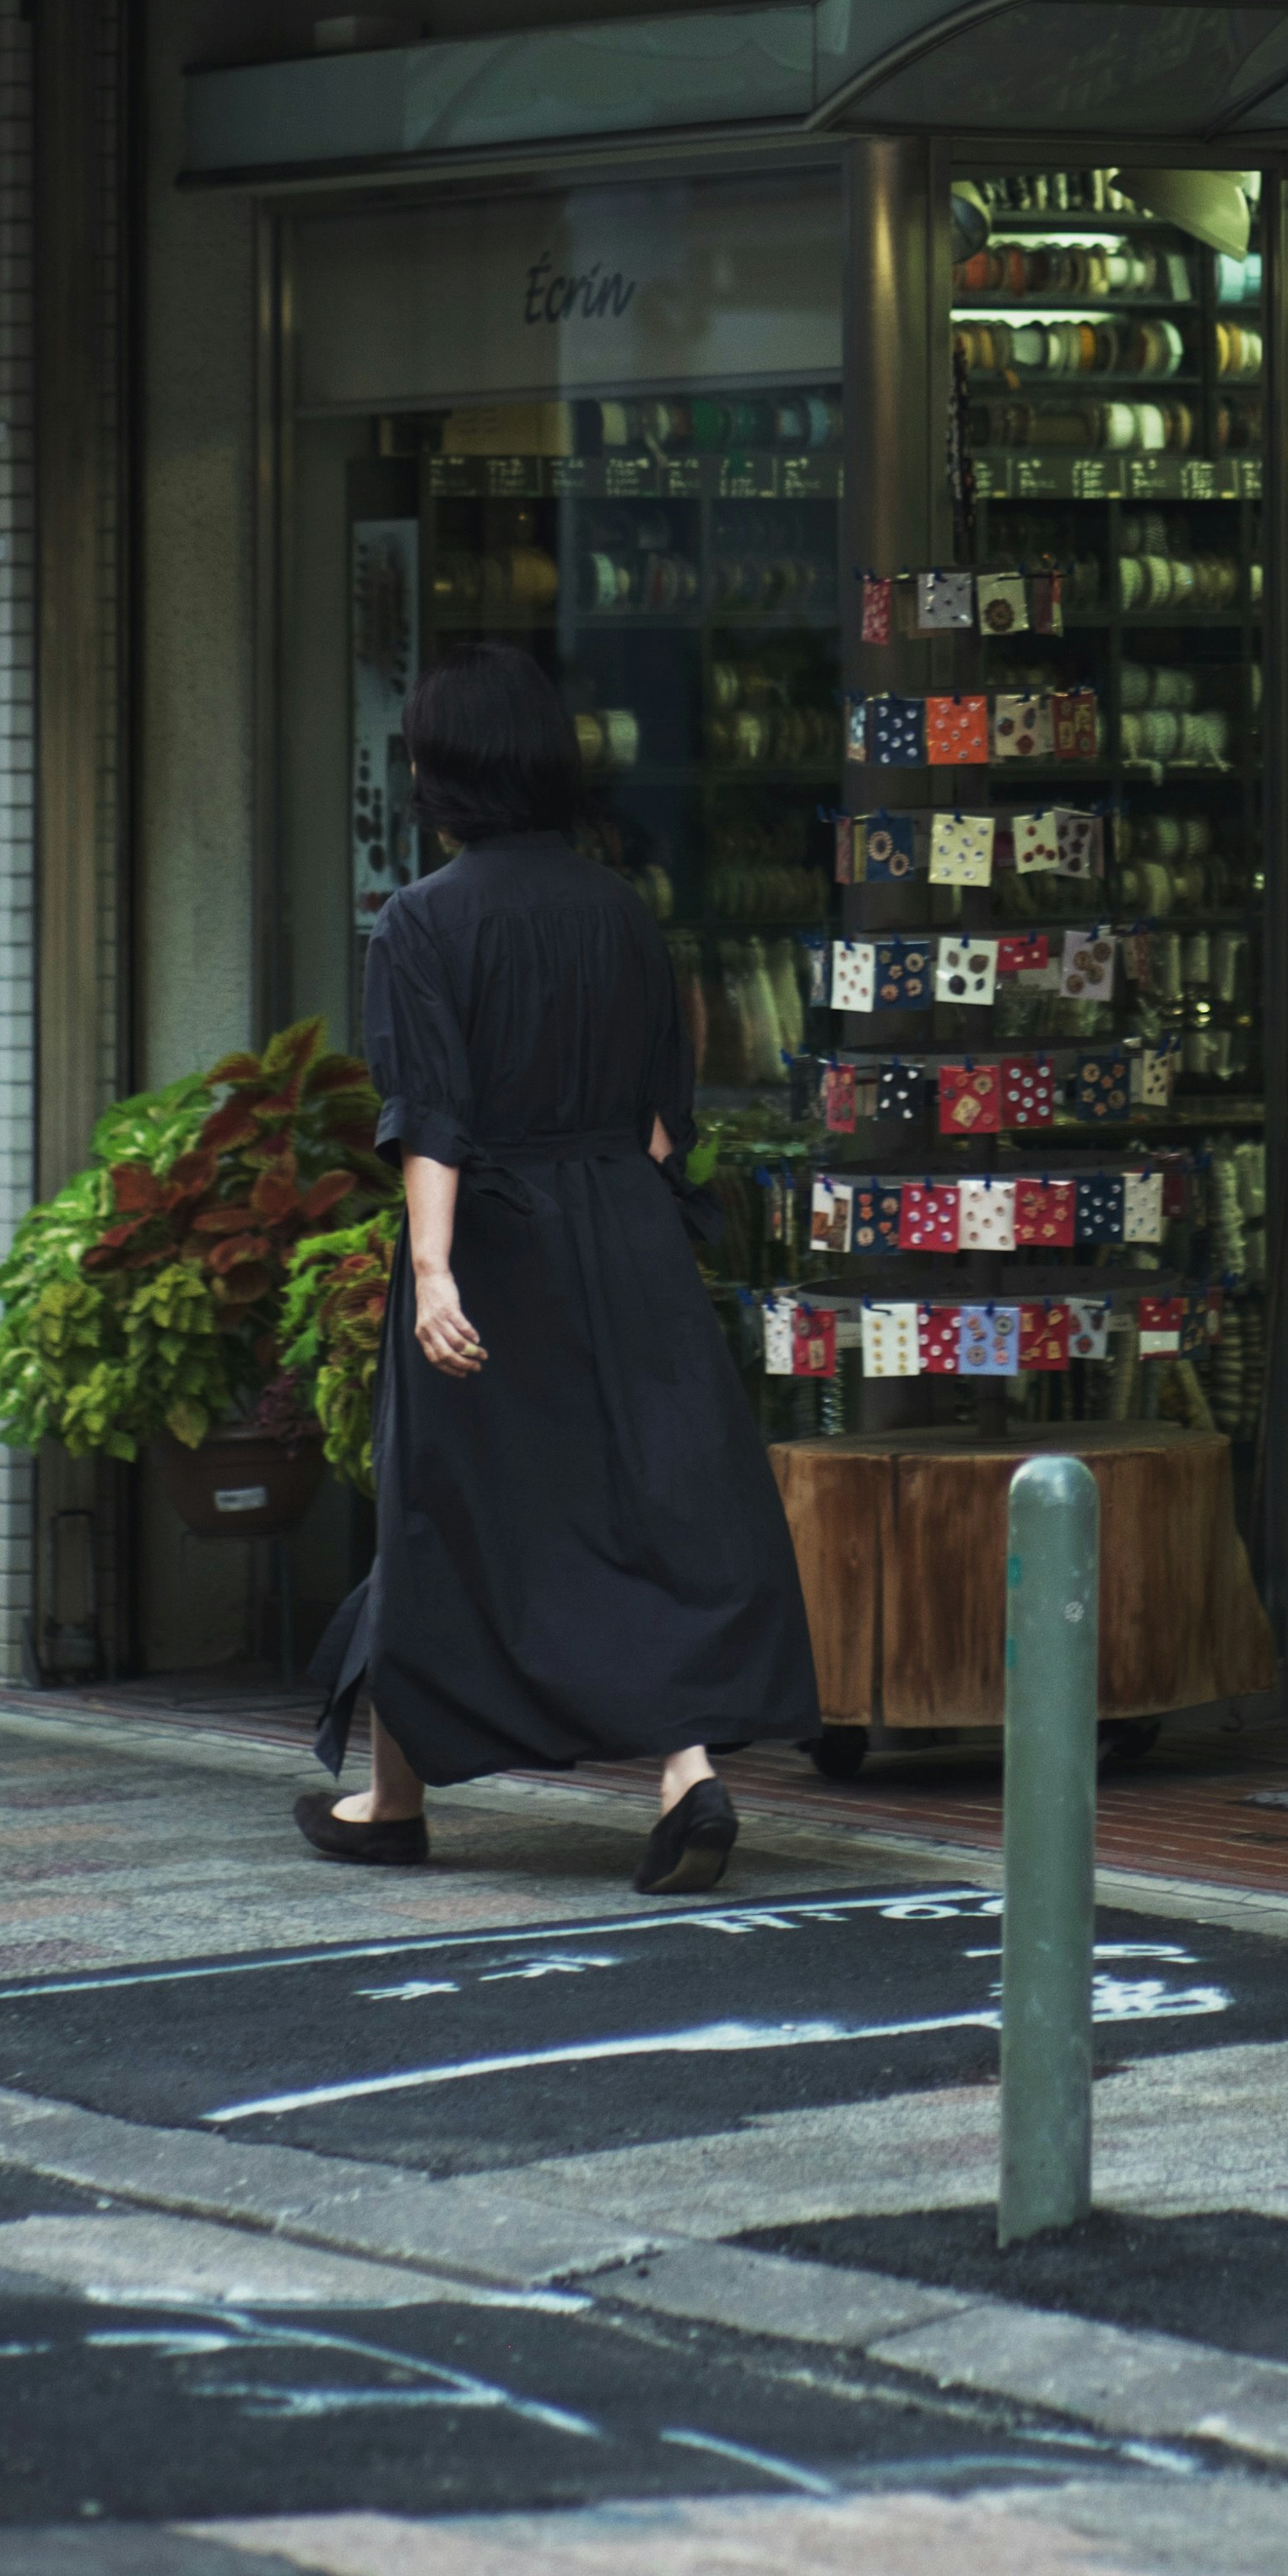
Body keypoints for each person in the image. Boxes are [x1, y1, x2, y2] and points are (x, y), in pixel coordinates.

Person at [297, 639, 821, 1890]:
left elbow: (433, 1115)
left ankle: (393, 1799)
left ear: (439, 770)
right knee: (641, 1511)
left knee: (451, 1516)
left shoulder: (421, 922)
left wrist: (432, 1274)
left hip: (495, 1248)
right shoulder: (619, 909)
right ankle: (686, 1773)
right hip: (626, 1234)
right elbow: (658, 1116)